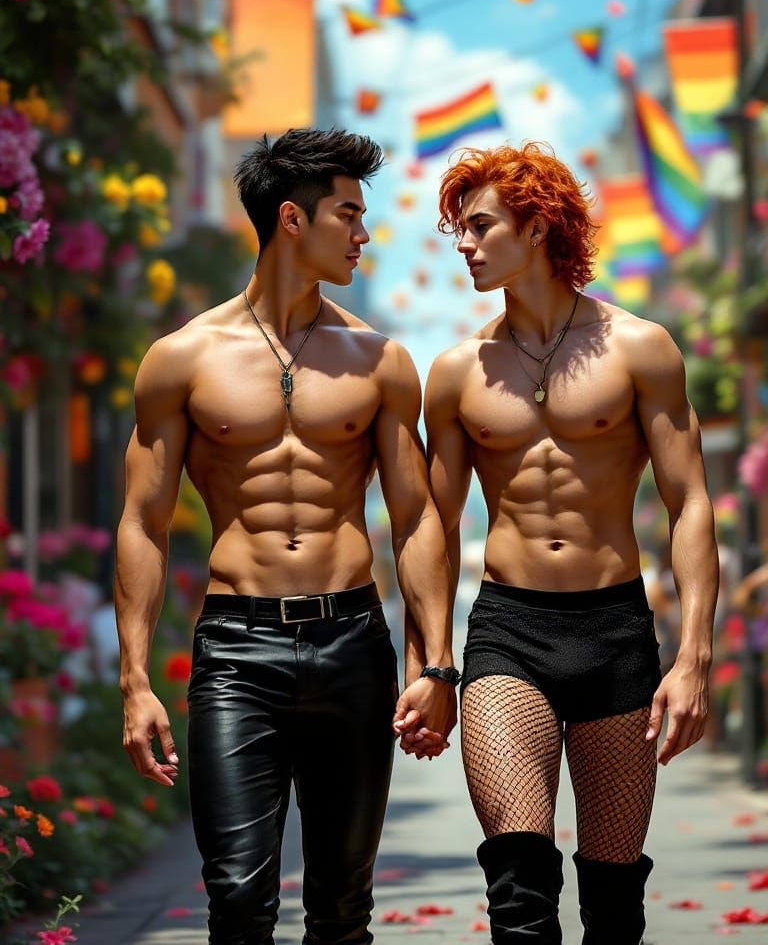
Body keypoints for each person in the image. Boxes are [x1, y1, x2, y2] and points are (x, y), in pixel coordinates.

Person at [113, 128, 457, 945]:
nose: (365, 234)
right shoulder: (182, 359)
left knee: (342, 909)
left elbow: (414, 519)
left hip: (353, 643)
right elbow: (142, 522)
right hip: (237, 650)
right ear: (292, 221)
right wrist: (133, 680)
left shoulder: (379, 360)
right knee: (237, 899)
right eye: (349, 214)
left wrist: (434, 662)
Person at [423, 142, 718, 944]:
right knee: (519, 897)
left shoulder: (640, 348)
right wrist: (433, 664)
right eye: (459, 227)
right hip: (508, 634)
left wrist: (693, 657)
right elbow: (432, 526)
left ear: (538, 225)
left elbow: (690, 502)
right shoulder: (456, 372)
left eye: (480, 225)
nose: (464, 243)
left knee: (614, 909)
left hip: (617, 631)